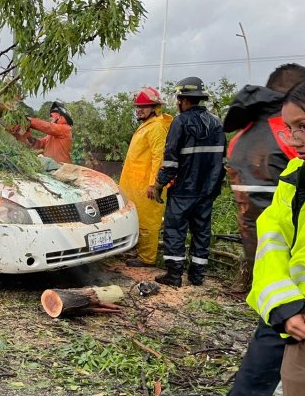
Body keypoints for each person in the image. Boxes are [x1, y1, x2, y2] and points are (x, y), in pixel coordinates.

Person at [212, 64, 305, 396]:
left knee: (272, 324)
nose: (297, 136)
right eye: (295, 125)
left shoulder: (247, 132)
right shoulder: (283, 140)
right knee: (276, 330)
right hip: (279, 244)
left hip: (259, 230)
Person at [244, 80, 305, 396]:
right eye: (291, 129)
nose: (294, 139)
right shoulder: (294, 177)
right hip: (296, 321)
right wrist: (285, 305)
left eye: (302, 126)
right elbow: (272, 239)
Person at [225, 63, 305, 287]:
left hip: (247, 200)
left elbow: (232, 155)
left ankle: (251, 284)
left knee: (257, 242)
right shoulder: (285, 126)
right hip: (280, 203)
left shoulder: (247, 129)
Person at [151, 77, 226, 287]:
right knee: (201, 231)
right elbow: (222, 161)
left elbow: (170, 159)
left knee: (175, 229)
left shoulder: (180, 122)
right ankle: (197, 275)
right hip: (207, 190)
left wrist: (159, 184)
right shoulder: (216, 123)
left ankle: (174, 275)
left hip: (183, 189)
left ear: (183, 100)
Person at [119, 87, 173, 267]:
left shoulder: (156, 127)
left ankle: (147, 258)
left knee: (148, 222)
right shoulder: (147, 125)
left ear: (155, 108)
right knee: (138, 219)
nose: (139, 110)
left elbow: (160, 157)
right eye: (138, 107)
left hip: (147, 185)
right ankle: (139, 252)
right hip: (137, 184)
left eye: (144, 106)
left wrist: (154, 184)